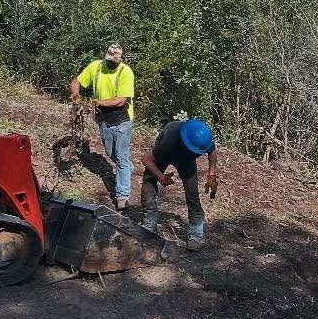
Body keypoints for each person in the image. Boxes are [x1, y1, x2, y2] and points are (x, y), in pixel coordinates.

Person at [70, 43, 136, 208]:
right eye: (110, 60)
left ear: (120, 59)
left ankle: (122, 197)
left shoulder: (126, 72)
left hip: (122, 119)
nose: (112, 63)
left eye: (115, 61)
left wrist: (95, 102)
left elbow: (120, 100)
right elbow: (76, 81)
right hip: (103, 119)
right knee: (111, 153)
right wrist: (76, 96)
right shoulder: (96, 67)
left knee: (121, 157)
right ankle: (127, 168)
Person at [140, 117, 218, 251]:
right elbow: (146, 159)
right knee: (149, 180)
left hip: (185, 159)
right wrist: (161, 177)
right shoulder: (168, 144)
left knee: (192, 194)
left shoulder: (203, 138)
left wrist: (211, 175)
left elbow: (212, 151)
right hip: (169, 149)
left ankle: (196, 233)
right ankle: (149, 223)